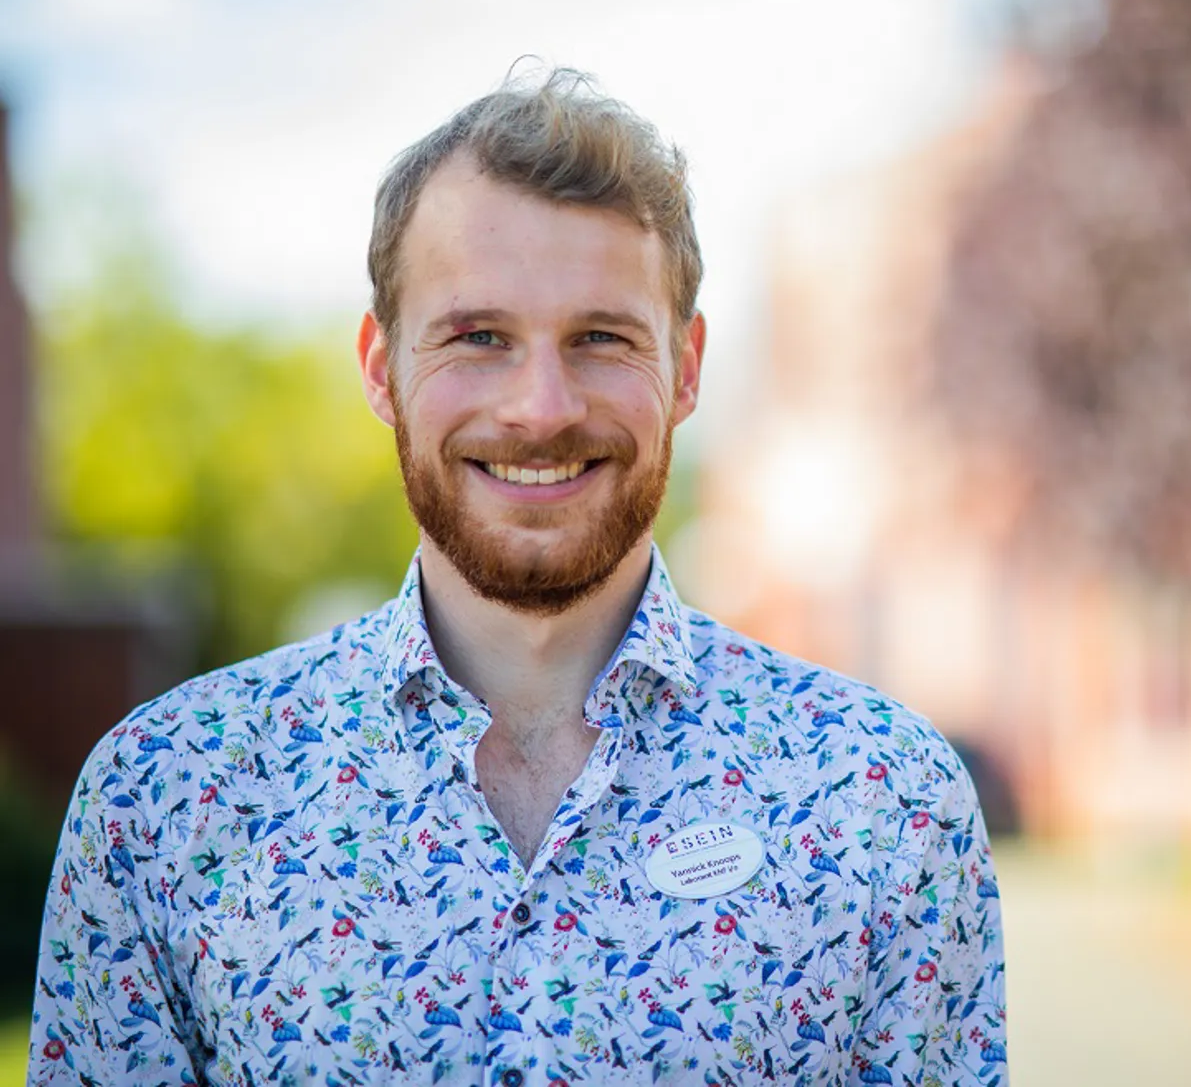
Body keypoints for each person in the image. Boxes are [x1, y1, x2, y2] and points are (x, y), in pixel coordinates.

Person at [29, 70, 1008, 1086]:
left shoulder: (882, 799)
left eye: (600, 337)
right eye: (478, 336)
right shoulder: (163, 800)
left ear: (686, 367)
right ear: (379, 364)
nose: (541, 407)